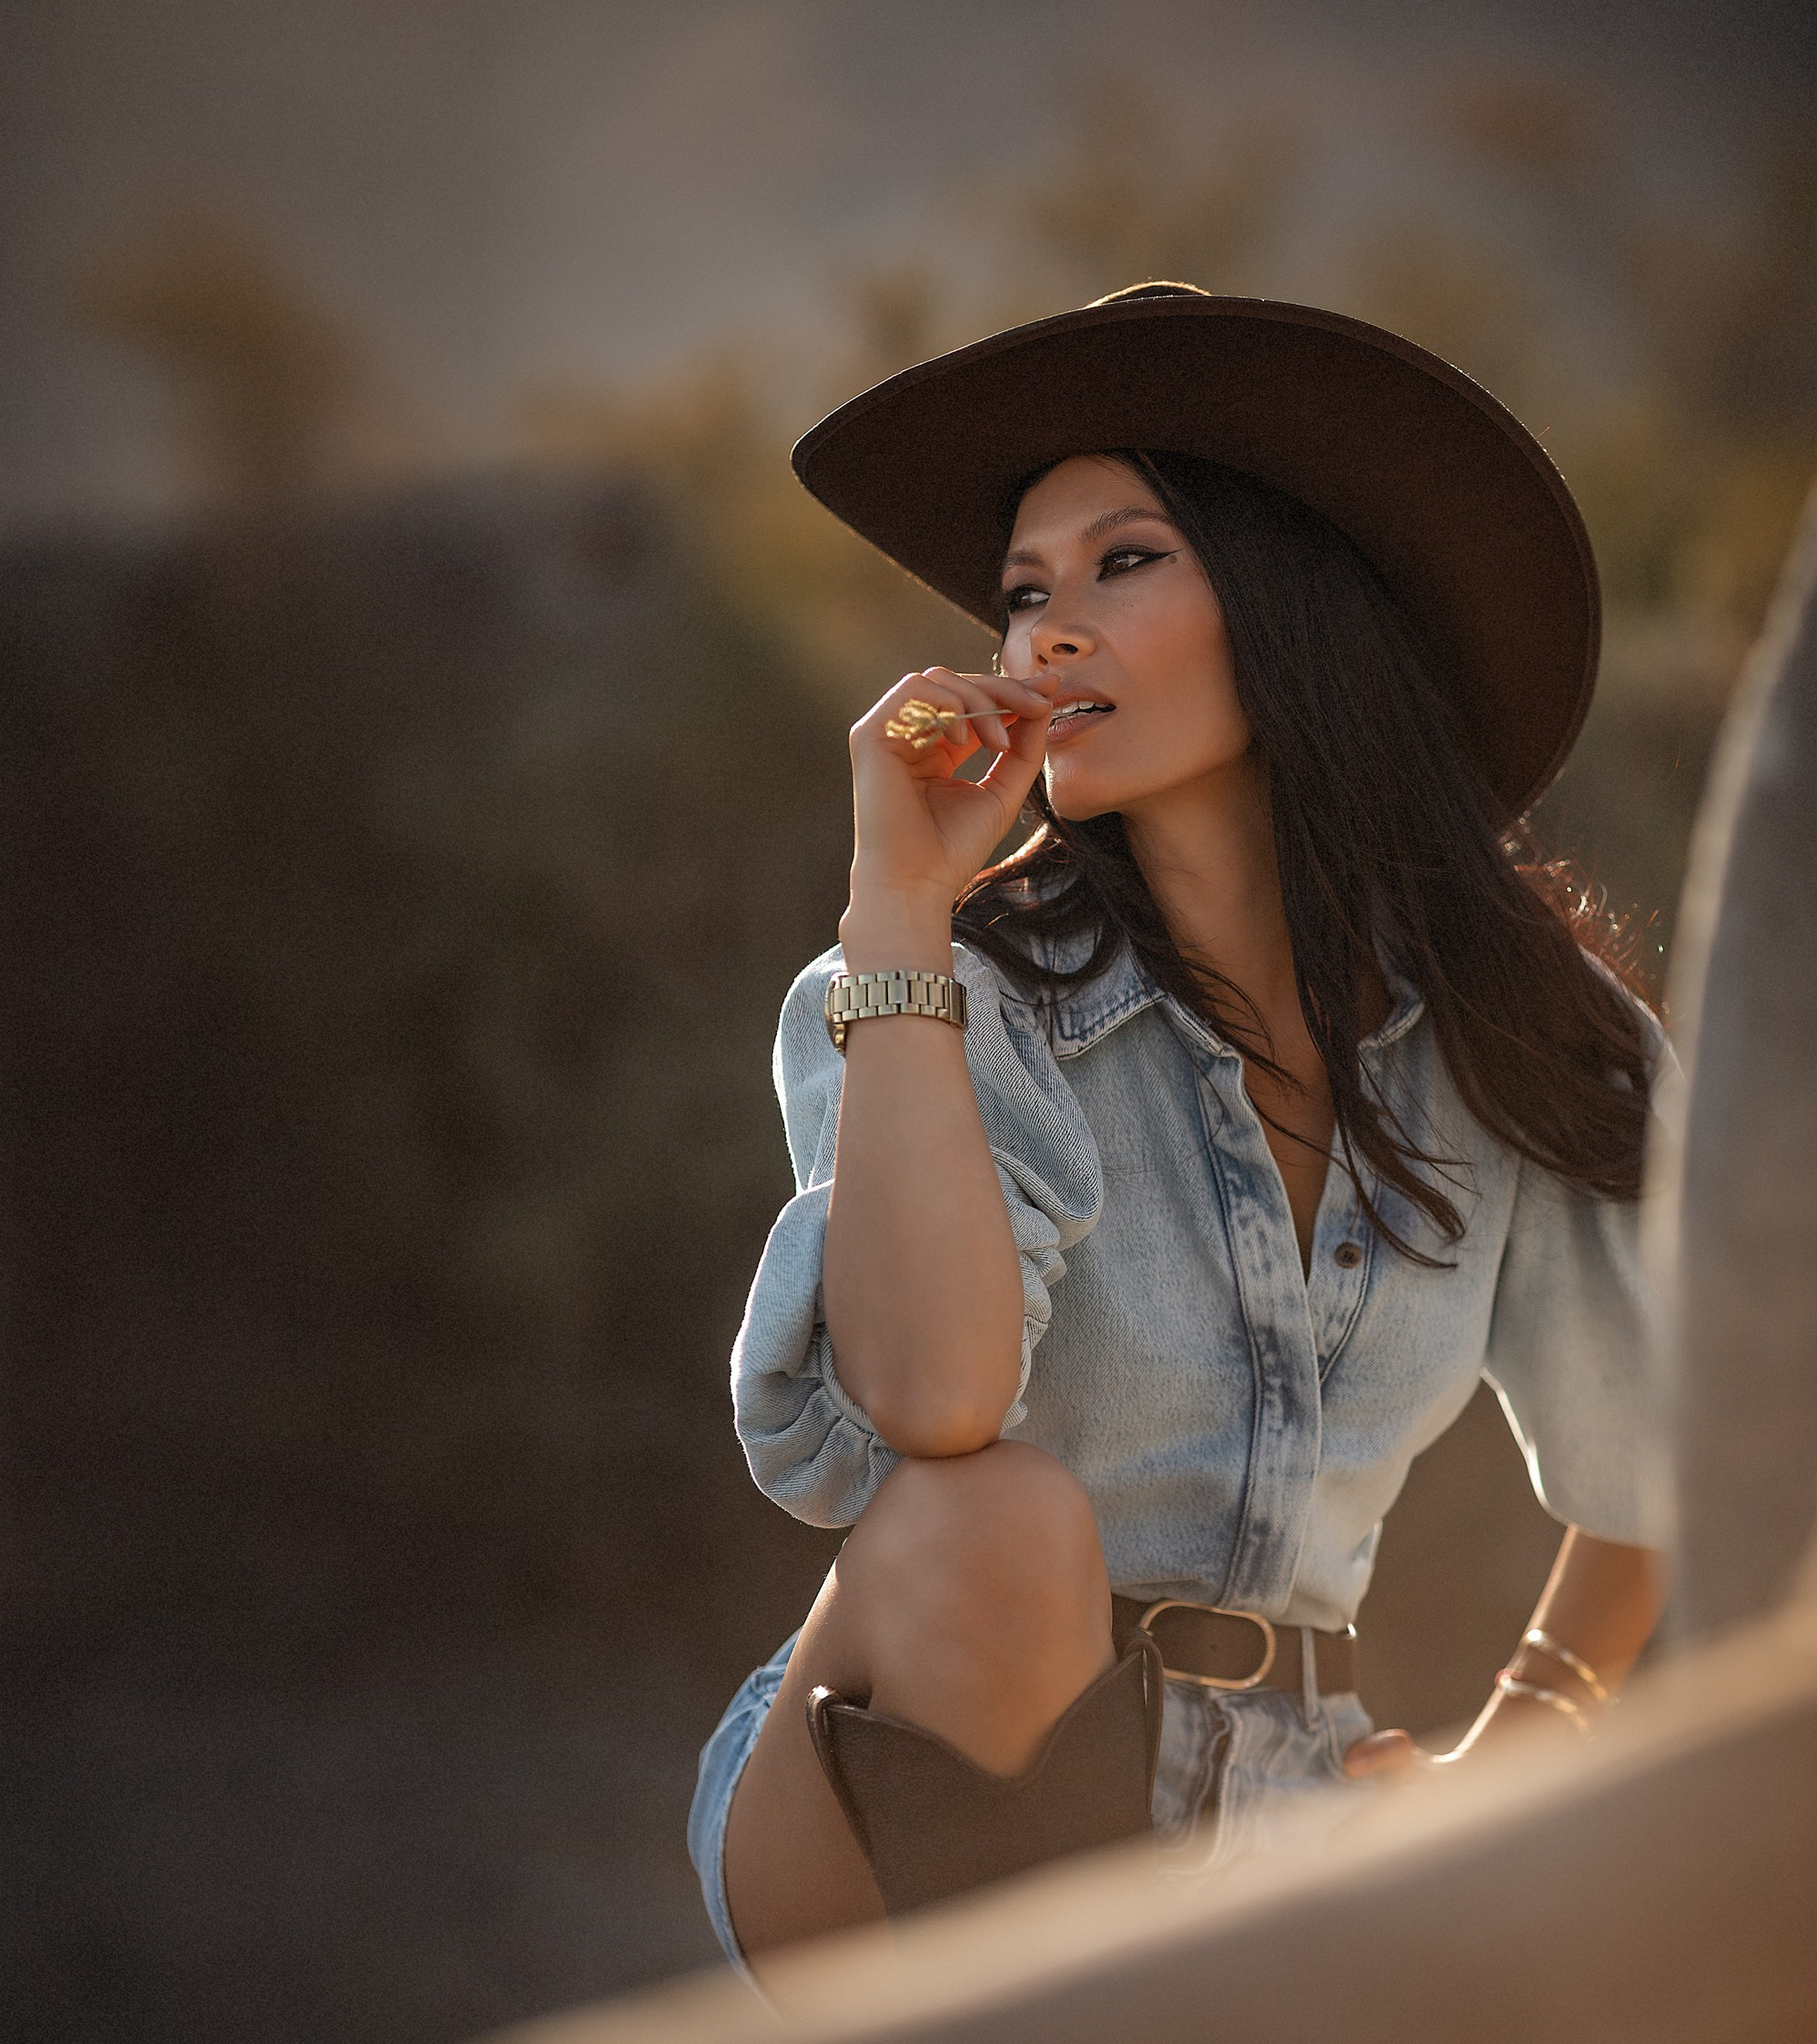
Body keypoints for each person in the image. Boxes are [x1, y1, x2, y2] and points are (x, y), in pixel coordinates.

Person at [688, 283, 1671, 1978]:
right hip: (895, 1783)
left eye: (1120, 564)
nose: (1044, 635)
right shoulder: (940, 994)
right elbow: (928, 1410)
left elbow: (1664, 1448)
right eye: (1021, 593)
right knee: (992, 1521)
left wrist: (1529, 1734)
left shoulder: (1518, 1033)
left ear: (1295, 604)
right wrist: (896, 907)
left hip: (1293, 1802)